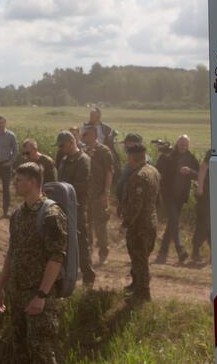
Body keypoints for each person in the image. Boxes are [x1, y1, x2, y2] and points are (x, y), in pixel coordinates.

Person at [0, 162, 67, 363]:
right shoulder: (18, 215)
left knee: (41, 351)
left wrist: (41, 295)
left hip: (38, 296)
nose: (14, 184)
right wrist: (1, 286)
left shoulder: (51, 215)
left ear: (33, 182)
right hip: (17, 294)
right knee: (20, 350)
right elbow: (12, 252)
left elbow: (56, 257)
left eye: (19, 180)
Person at [118, 140, 160, 302]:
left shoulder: (138, 176)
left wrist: (125, 224)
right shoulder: (153, 171)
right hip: (151, 221)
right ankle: (137, 286)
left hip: (139, 226)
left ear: (132, 157)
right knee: (141, 257)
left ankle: (143, 294)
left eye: (128, 156)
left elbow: (136, 206)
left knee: (139, 260)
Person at [56, 130, 96, 286]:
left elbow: (80, 186)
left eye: (62, 145)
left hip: (77, 207)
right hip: (62, 206)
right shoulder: (65, 160)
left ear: (71, 142)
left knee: (80, 242)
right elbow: (59, 181)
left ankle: (88, 277)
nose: (60, 148)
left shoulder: (83, 160)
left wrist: (63, 192)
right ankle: (65, 276)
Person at [155, 135, 200, 264]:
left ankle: (163, 252)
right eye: (181, 143)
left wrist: (190, 171)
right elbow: (158, 170)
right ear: (177, 143)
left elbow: (199, 174)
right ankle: (180, 250)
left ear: (188, 146)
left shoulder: (191, 158)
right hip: (168, 194)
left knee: (172, 223)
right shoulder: (169, 156)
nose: (183, 146)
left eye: (185, 144)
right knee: (174, 220)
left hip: (181, 197)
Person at [82, 125, 114, 265]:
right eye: (84, 135)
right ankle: (87, 253)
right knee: (86, 225)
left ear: (94, 135)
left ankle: (103, 252)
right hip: (85, 194)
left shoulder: (104, 151)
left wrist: (106, 192)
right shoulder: (82, 151)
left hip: (99, 194)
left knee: (100, 225)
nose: (84, 137)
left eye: (87, 134)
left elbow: (109, 172)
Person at [81, 107, 121, 180]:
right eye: (90, 115)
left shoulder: (106, 128)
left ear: (98, 117)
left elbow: (109, 141)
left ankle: (114, 179)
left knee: (113, 157)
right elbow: (82, 140)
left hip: (103, 150)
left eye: (93, 115)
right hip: (89, 148)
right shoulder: (85, 127)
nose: (91, 117)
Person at [191, 150, 212, 263]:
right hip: (206, 194)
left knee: (213, 225)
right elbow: (203, 168)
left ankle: (214, 254)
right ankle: (195, 251)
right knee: (203, 223)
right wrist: (200, 187)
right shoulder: (212, 151)